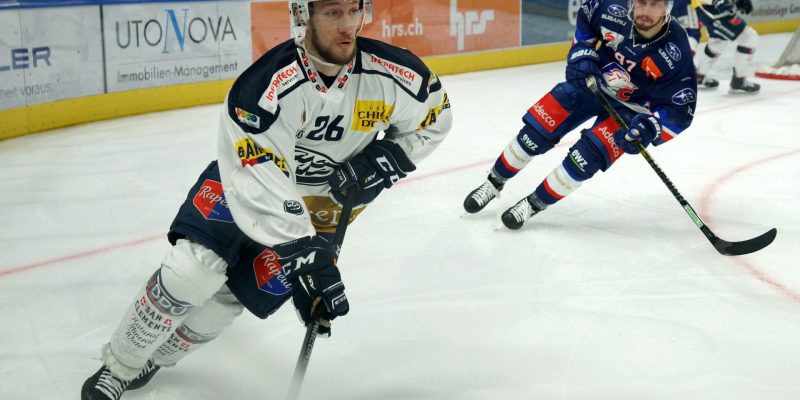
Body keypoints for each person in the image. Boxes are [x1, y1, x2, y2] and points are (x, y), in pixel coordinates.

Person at [81, 0, 452, 398]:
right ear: (303, 15)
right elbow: (259, 175)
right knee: (192, 271)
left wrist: (384, 159)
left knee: (229, 299)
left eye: (352, 11)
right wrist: (303, 253)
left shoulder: (396, 74)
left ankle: (154, 359)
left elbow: (435, 119)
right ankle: (120, 365)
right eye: (332, 13)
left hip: (321, 211)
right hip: (242, 183)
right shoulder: (265, 85)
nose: (346, 26)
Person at [463, 0, 696, 230]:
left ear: (668, 8)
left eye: (655, 5)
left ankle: (534, 204)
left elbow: (680, 111)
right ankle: (493, 183)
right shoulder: (611, 7)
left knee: (587, 157)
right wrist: (582, 52)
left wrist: (649, 128)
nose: (646, 11)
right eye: (642, 2)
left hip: (630, 110)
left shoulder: (676, 49)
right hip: (591, 84)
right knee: (535, 132)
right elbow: (586, 19)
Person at [694, 0, 760, 93]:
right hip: (713, 10)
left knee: (718, 43)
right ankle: (739, 80)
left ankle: (699, 76)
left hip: (709, 9)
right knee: (749, 38)